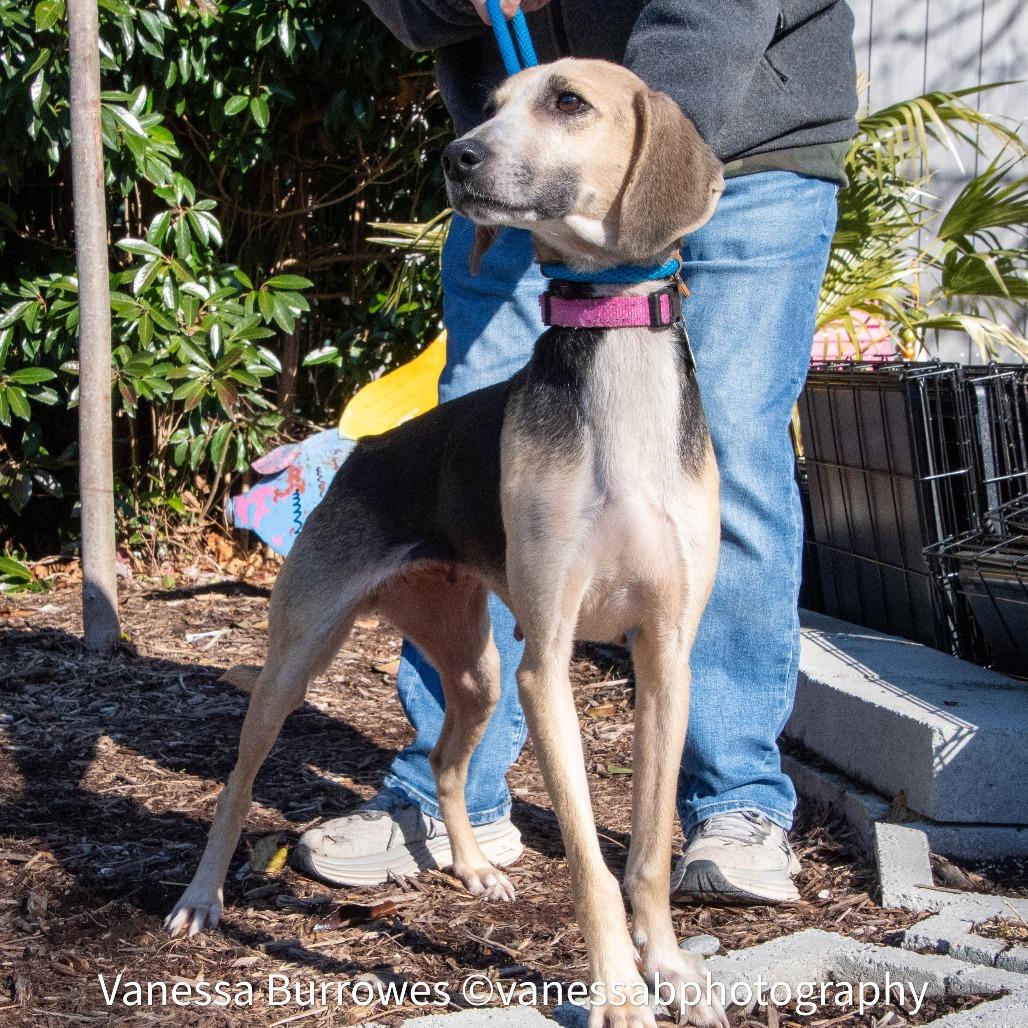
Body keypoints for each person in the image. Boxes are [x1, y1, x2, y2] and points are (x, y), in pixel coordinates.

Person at [294, 0, 857, 904]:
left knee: (734, 455)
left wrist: (639, 152)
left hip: (736, 135)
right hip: (527, 154)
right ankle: (455, 797)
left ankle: (734, 806)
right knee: (467, 456)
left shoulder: (647, 137)